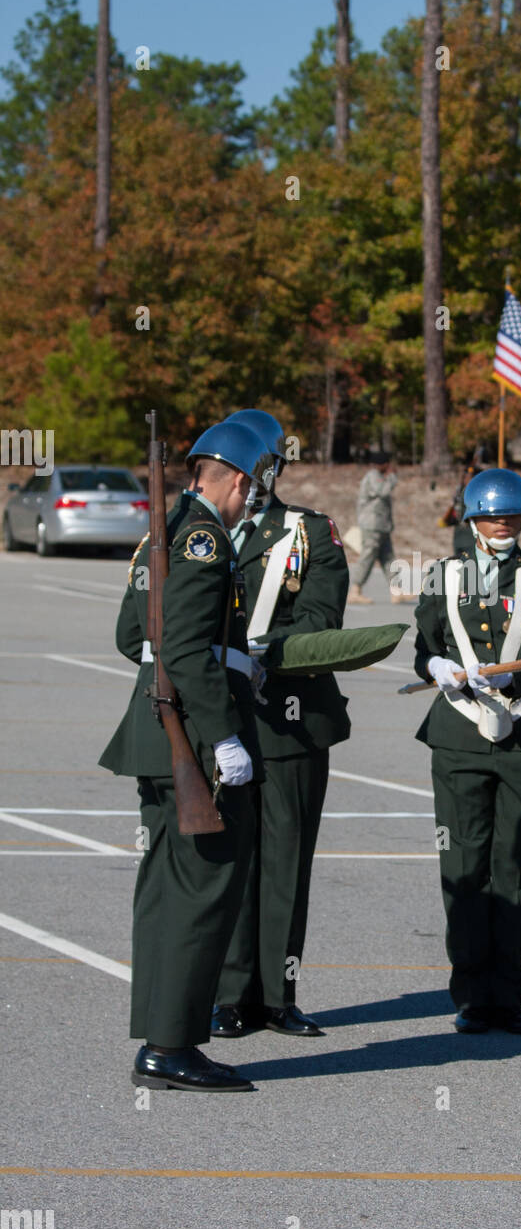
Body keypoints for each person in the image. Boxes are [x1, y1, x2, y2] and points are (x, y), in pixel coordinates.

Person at [99, 421, 276, 1092]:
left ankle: (161, 1037)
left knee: (167, 893)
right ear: (236, 478)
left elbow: (132, 636)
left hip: (158, 729)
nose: (250, 501)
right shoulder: (204, 539)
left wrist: (230, 664)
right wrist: (223, 730)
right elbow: (182, 648)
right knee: (201, 895)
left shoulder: (161, 534)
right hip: (194, 741)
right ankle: (171, 1045)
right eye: (252, 488)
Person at [413, 468, 521, 1034]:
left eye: (513, 517)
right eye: (491, 516)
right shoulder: (442, 574)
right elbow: (425, 646)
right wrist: (436, 667)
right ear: (472, 521)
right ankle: (470, 992)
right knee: (463, 861)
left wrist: (503, 681)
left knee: (516, 862)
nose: (503, 525)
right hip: (458, 732)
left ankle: (506, 992)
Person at [210, 409, 351, 1039]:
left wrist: (262, 653)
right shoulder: (200, 532)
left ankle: (277, 995)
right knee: (230, 860)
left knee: (287, 863)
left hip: (291, 721)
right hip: (220, 720)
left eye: (264, 466)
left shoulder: (309, 532)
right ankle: (233, 994)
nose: (255, 477)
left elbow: (322, 616)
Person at [348, 452, 412, 604]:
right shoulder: (373, 475)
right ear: (382, 464)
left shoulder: (379, 476)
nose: (390, 467)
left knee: (388, 558)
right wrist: (392, 477)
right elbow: (382, 491)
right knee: (367, 557)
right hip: (372, 525)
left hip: (381, 526)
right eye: (387, 464)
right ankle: (355, 591)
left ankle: (397, 591)